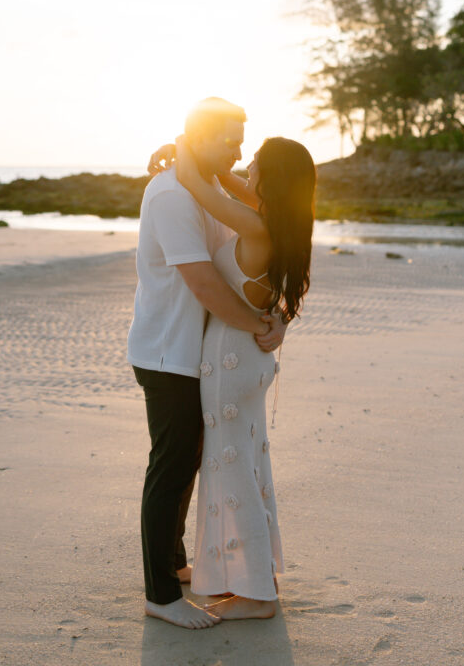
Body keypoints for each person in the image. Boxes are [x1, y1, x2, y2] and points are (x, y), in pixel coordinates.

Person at [127, 98, 287, 630]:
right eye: (230, 140)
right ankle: (160, 594)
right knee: (170, 468)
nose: (239, 152)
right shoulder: (173, 194)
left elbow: (257, 258)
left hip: (200, 355)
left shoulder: (212, 188)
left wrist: (274, 316)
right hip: (168, 351)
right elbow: (204, 283)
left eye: (243, 141)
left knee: (188, 462)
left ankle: (174, 564)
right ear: (198, 137)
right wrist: (259, 323)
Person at [166, 129, 316, 620]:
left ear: (270, 178)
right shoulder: (283, 220)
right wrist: (215, 161)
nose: (245, 166)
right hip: (248, 361)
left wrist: (184, 142)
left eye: (253, 161)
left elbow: (194, 179)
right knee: (247, 468)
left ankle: (256, 597)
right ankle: (255, 579)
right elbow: (226, 180)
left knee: (232, 472)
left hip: (232, 361)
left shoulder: (255, 226)